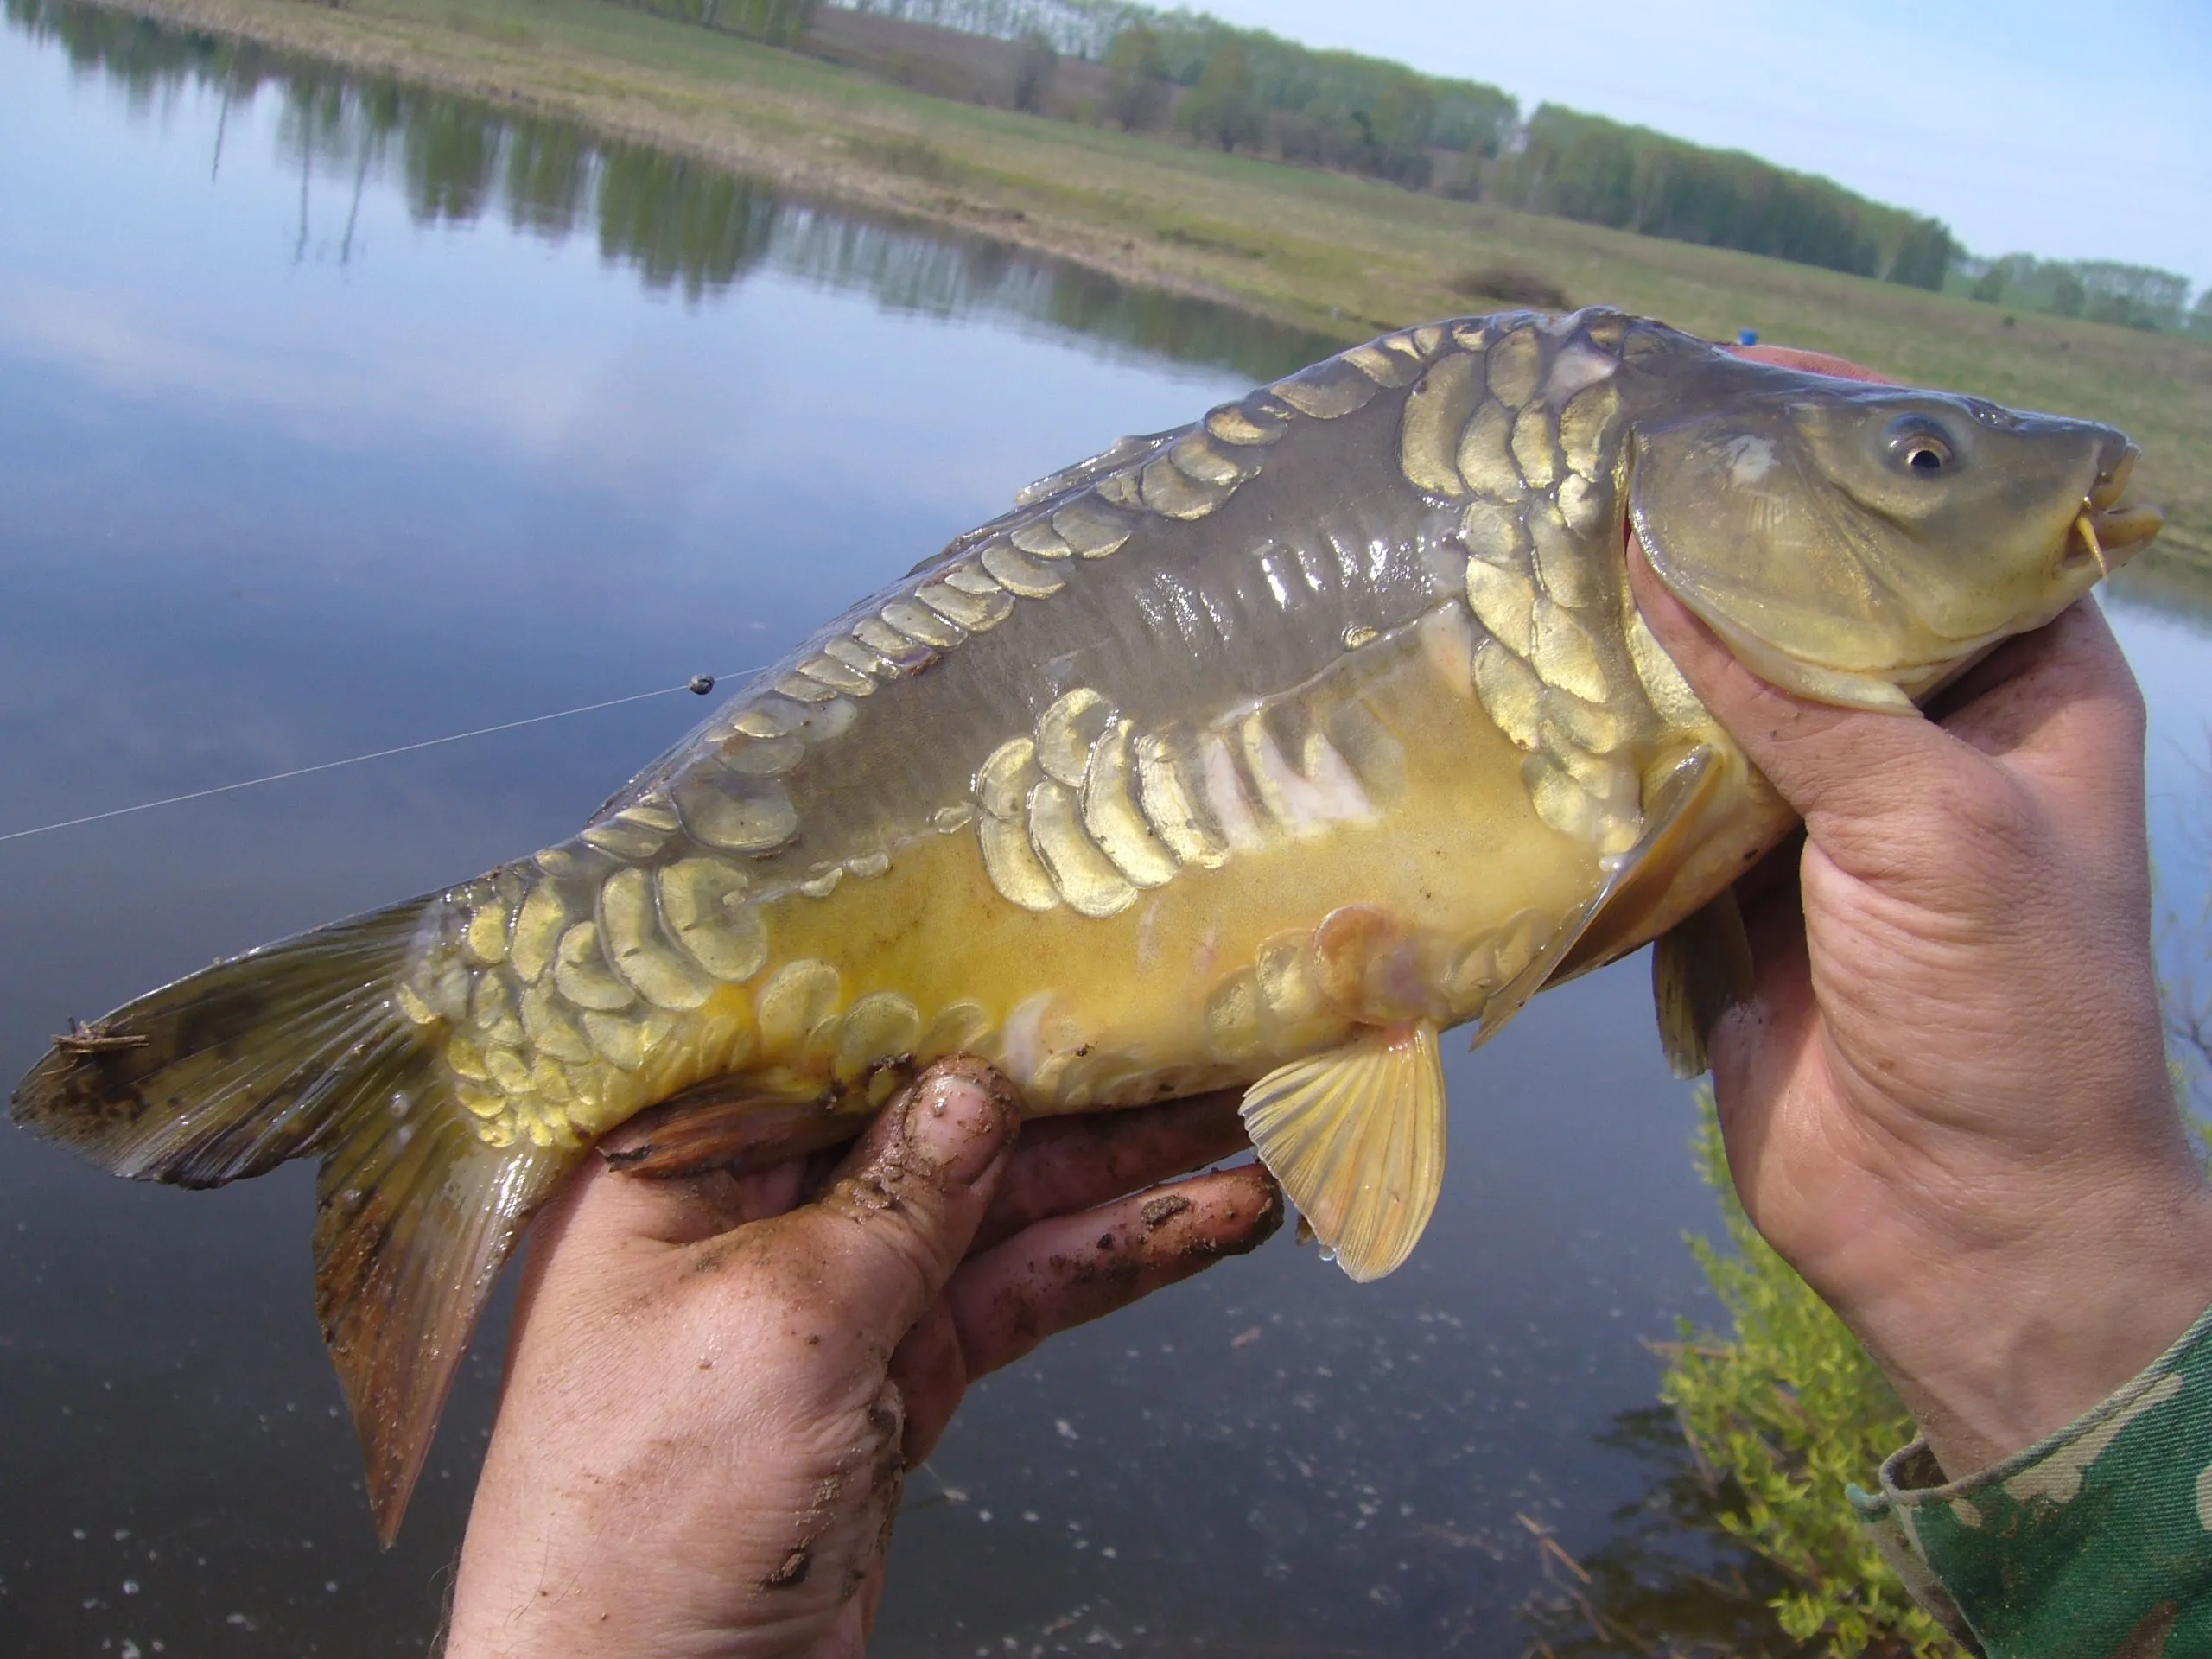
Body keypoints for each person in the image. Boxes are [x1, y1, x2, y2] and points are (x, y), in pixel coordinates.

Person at [442, 385, 2212, 1659]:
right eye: (1915, 460)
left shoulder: (1723, 735)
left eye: (1920, 462)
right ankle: (502, 1038)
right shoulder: (1604, 542)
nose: (2013, 484)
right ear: (1673, 510)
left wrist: (1998, 1222)